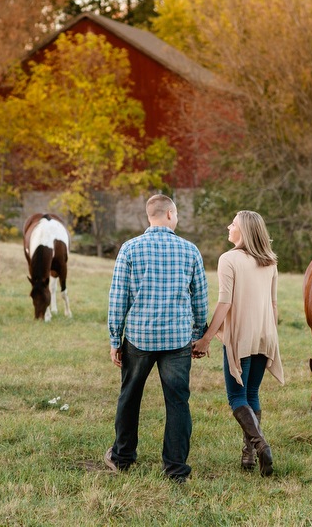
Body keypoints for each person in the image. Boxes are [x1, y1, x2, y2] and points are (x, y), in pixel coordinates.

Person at [105, 194, 209, 483]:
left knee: (130, 396)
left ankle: (123, 457)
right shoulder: (190, 251)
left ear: (149, 216)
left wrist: (116, 339)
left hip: (139, 337)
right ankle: (176, 468)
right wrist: (199, 335)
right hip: (177, 340)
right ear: (170, 215)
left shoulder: (130, 249)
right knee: (178, 401)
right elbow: (200, 298)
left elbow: (118, 298)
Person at [191, 210, 283, 477]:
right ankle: (249, 457)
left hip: (241, 337)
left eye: (232, 224)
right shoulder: (270, 262)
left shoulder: (228, 259)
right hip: (265, 335)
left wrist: (206, 339)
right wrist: (269, 333)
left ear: (243, 230)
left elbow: (225, 303)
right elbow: (274, 305)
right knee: (252, 393)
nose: (228, 226)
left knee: (236, 397)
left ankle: (261, 445)